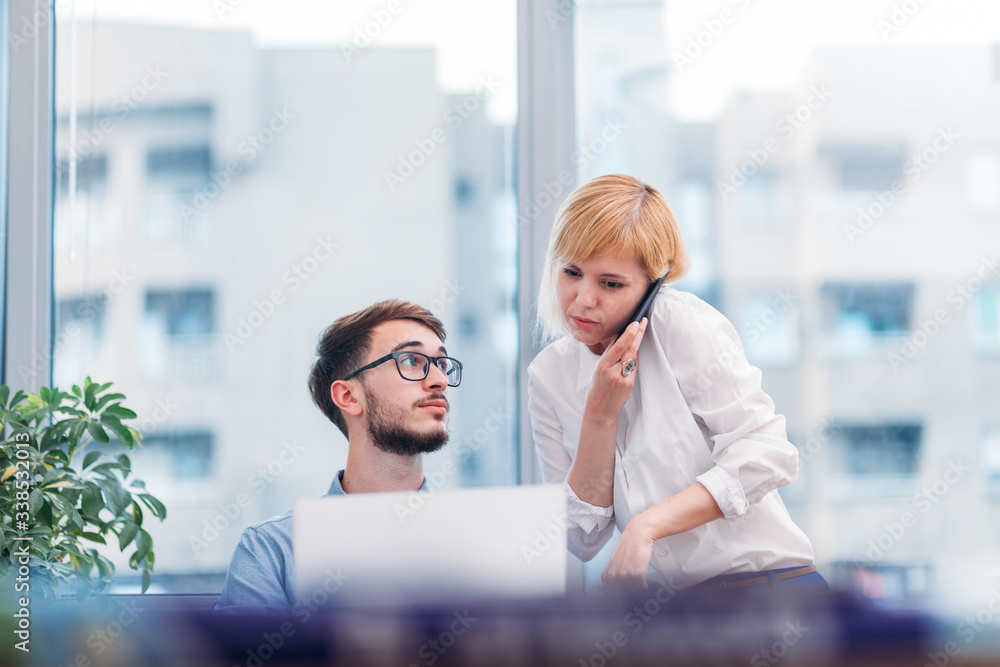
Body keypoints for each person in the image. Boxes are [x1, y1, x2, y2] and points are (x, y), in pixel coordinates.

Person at [527, 174, 825, 595]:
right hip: (675, 612)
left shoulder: (679, 324)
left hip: (768, 591)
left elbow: (769, 454)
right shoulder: (548, 375)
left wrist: (648, 526)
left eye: (610, 283)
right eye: (571, 272)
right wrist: (600, 414)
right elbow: (582, 536)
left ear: (653, 287)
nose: (583, 299)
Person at [214, 299, 463, 609]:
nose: (439, 380)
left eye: (441, 363)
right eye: (411, 360)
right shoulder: (271, 553)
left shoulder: (476, 543)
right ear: (348, 396)